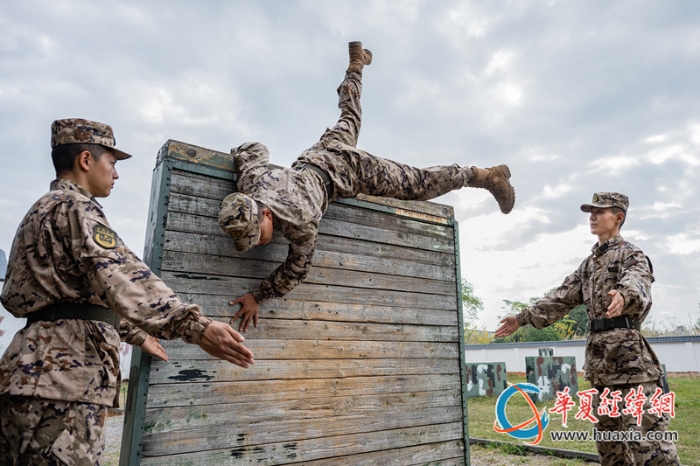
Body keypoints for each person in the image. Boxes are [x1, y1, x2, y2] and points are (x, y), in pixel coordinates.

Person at [0, 119, 255, 465]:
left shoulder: (37, 213)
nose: (116, 173)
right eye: (113, 162)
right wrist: (196, 326)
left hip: (26, 372)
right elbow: (122, 277)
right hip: (63, 384)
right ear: (86, 160)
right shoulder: (76, 208)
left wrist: (138, 334)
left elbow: (67, 298)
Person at [219, 41, 516, 332]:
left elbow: (296, 270)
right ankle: (356, 65)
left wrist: (258, 296)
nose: (258, 243)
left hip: (351, 169)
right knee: (349, 117)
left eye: (256, 235)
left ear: (267, 214)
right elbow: (254, 149)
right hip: (321, 150)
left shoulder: (301, 221)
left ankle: (483, 176)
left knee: (418, 184)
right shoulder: (253, 184)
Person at [495, 192, 680, 466]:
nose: (592, 216)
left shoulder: (631, 254)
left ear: (618, 217)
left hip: (632, 370)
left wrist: (623, 295)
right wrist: (521, 318)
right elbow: (561, 298)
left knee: (650, 449)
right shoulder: (590, 264)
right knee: (611, 450)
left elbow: (639, 280)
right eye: (590, 212)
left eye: (600, 211)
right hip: (601, 369)